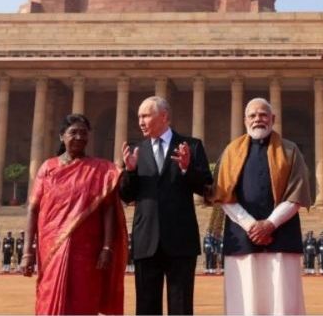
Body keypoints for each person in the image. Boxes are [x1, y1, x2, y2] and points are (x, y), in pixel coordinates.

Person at [212, 97, 312, 315]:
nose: (258, 119)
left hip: (282, 236)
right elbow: (224, 195)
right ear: (245, 120)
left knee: (282, 302)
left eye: (263, 114)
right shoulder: (230, 152)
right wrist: (251, 225)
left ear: (273, 118)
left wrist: (270, 224)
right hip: (241, 237)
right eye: (253, 115)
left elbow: (296, 194)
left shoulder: (290, 150)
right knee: (245, 301)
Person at [22, 114, 127, 315]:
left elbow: (108, 209)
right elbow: (33, 208)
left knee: (84, 298)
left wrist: (107, 248)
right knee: (48, 294)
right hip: (51, 247)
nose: (79, 137)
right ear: (62, 136)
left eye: (84, 133)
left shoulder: (100, 169)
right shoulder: (47, 168)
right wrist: (28, 252)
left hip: (88, 250)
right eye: (73, 132)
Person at [120, 96, 212, 316]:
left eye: (145, 115)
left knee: (181, 306)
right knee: (146, 306)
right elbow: (126, 196)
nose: (140, 121)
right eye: (139, 117)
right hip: (146, 239)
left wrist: (186, 169)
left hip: (180, 238)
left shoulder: (191, 145)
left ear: (164, 117)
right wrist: (130, 172)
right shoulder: (136, 151)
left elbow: (206, 188)